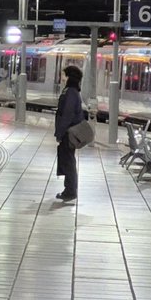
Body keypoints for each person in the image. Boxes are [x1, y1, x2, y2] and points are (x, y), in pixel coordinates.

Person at [54, 63, 85, 201]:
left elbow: (66, 115)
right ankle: (69, 189)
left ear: (68, 77)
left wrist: (60, 133)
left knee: (69, 161)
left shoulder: (70, 93)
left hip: (68, 132)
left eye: (63, 75)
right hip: (68, 131)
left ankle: (70, 190)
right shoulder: (73, 92)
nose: (62, 78)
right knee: (68, 160)